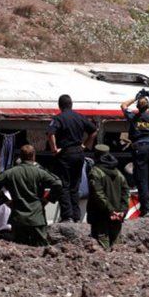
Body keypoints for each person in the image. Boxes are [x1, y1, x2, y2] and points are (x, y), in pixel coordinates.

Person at [0, 145, 63, 247]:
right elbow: (58, 183)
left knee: (21, 249)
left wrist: (6, 201)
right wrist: (47, 200)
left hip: (18, 218)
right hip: (37, 217)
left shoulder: (11, 172)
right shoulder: (40, 172)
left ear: (21, 156)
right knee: (41, 248)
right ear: (34, 156)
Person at [47, 94, 98, 222]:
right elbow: (94, 131)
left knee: (64, 185)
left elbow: (51, 133)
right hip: (79, 153)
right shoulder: (80, 117)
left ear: (60, 106)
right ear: (71, 104)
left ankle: (67, 216)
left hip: (65, 153)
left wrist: (54, 149)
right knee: (75, 186)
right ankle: (76, 215)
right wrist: (85, 145)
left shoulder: (58, 118)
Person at [121, 89, 149, 217]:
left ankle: (146, 209)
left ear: (137, 107)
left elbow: (123, 105)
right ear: (148, 107)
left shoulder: (133, 117)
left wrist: (136, 98)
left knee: (142, 179)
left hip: (141, 148)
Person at [87, 144, 130, 249]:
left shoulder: (95, 172)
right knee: (117, 248)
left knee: (101, 247)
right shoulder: (118, 172)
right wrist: (122, 210)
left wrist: (110, 210)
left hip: (100, 215)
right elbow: (126, 192)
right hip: (117, 215)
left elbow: (98, 194)